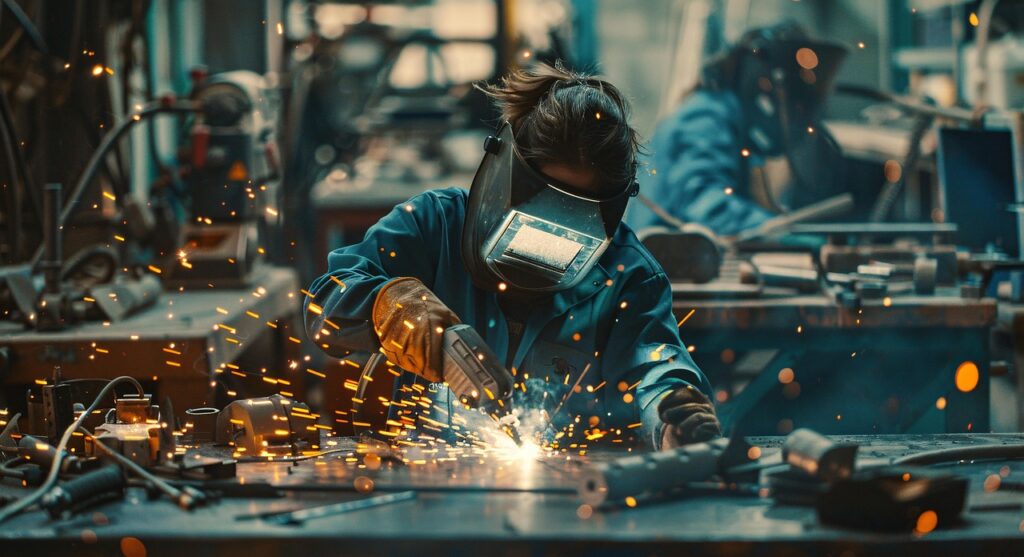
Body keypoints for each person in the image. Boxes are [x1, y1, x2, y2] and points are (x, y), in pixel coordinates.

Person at [305, 62, 718, 450]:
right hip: (424, 486)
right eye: (542, 210)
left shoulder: (627, 275)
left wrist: (670, 415)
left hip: (571, 501)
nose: (551, 237)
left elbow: (651, 368)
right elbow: (326, 303)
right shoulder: (433, 227)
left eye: (575, 219)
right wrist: (397, 312)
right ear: (503, 177)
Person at [626, 22, 849, 237]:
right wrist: (777, 231)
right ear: (764, 81)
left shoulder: (731, 120)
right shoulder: (705, 118)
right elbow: (704, 206)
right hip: (666, 266)